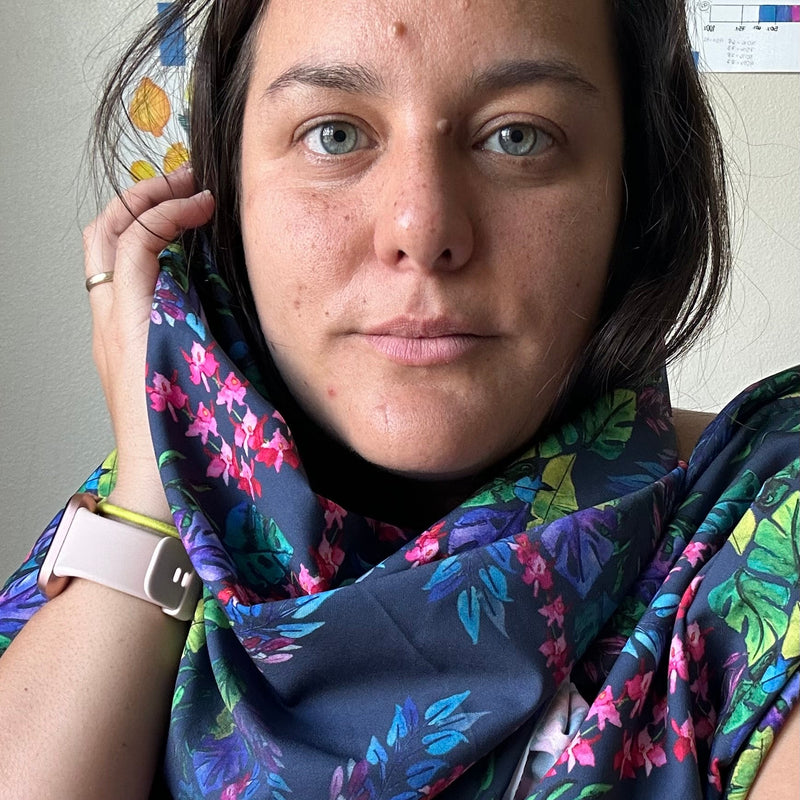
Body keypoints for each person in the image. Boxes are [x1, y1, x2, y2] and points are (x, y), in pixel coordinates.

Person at [0, 0, 797, 798]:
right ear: (229, 194)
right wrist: (154, 485)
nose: (421, 228)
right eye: (333, 135)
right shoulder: (150, 505)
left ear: (637, 195)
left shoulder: (763, 531)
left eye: (518, 137)